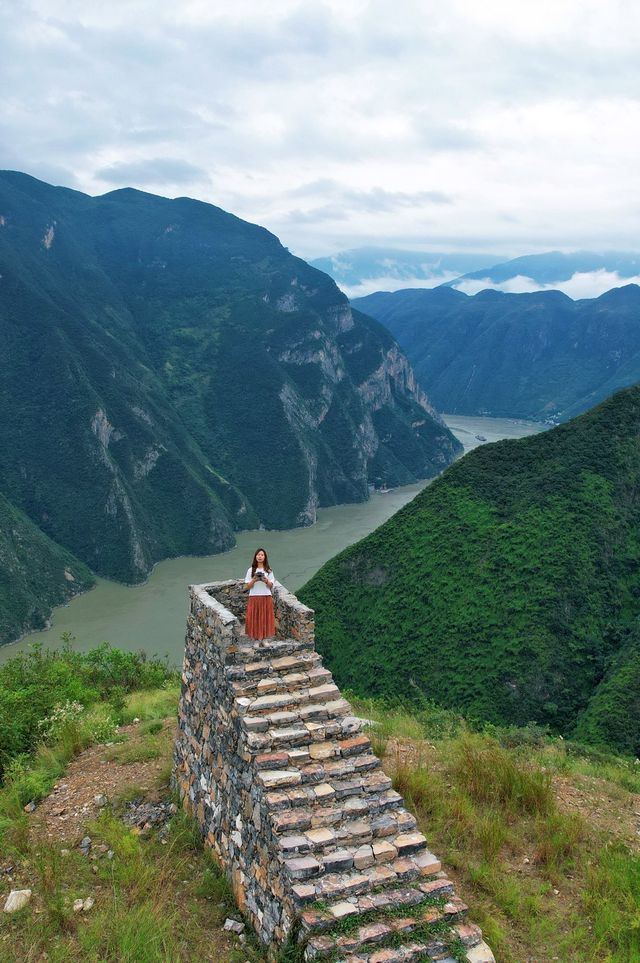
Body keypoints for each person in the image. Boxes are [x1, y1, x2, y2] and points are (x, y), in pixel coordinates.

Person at [244, 548, 276, 640]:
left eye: (262, 555)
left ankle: (264, 639)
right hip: (254, 596)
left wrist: (266, 580)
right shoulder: (251, 570)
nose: (260, 556)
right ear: (255, 557)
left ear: (265, 557)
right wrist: (254, 579)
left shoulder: (269, 570)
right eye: (258, 555)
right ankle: (256, 640)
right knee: (254, 619)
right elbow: (248, 586)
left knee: (265, 618)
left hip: (266, 596)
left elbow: (271, 586)